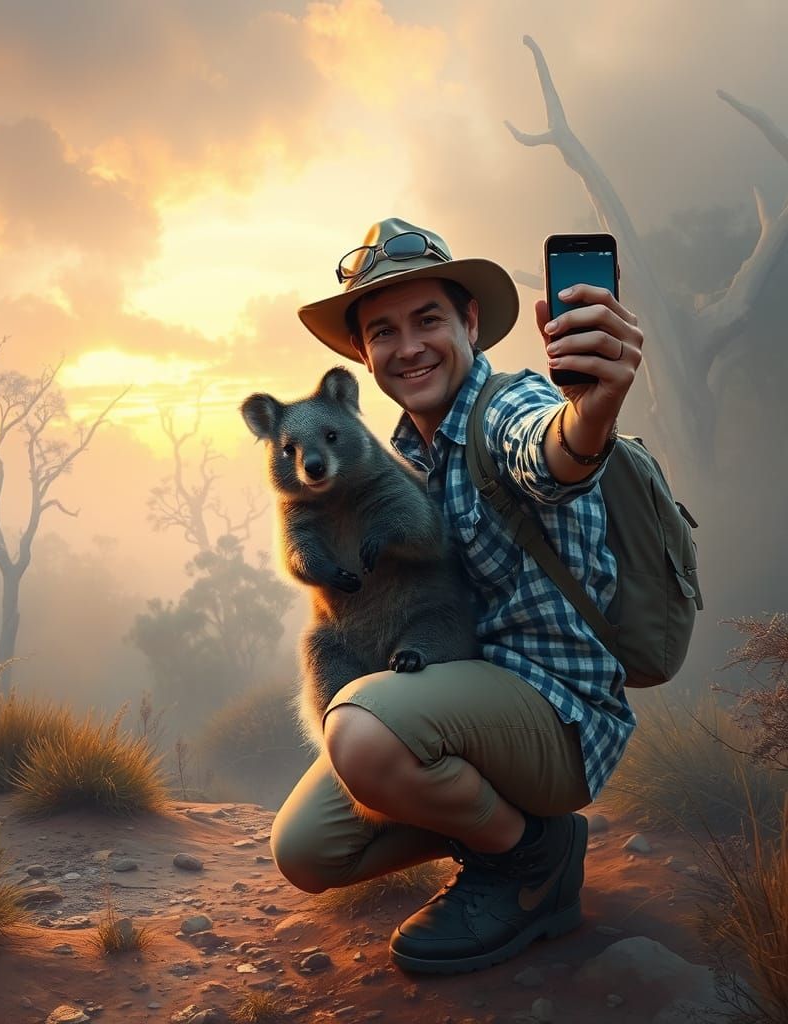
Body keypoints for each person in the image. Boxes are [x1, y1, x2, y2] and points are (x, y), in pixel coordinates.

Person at [270, 217, 643, 975]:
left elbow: (550, 451)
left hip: (554, 712)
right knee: (307, 849)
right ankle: (507, 829)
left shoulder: (505, 406)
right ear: (363, 355)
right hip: (457, 697)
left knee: (363, 735)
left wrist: (592, 411)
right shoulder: (402, 453)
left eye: (428, 319)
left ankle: (527, 861)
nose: (408, 346)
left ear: (470, 322)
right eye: (383, 331)